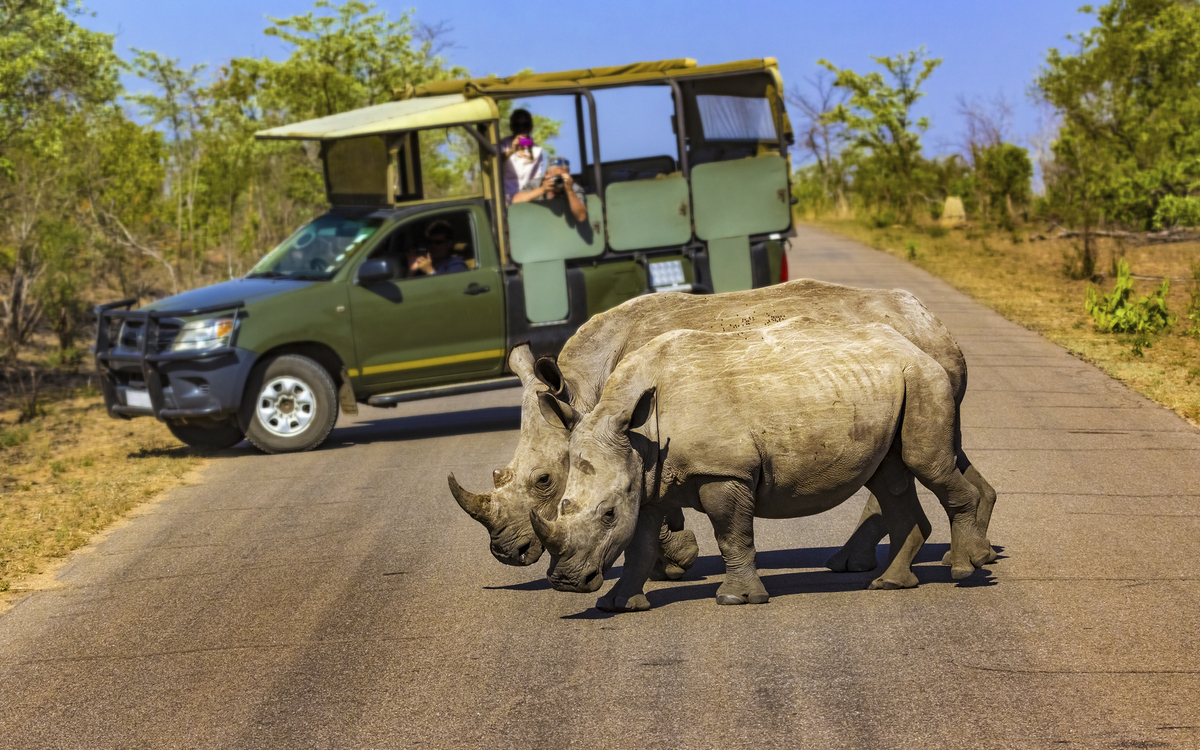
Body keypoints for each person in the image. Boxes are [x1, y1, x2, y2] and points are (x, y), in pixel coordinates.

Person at [512, 156, 588, 223]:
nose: (560, 181)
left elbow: (581, 217)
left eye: (564, 177)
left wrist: (569, 191)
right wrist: (542, 189)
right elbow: (515, 201)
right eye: (557, 177)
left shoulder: (573, 187)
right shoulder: (536, 184)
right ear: (547, 174)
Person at [499, 109, 544, 203]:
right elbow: (496, 161)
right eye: (517, 125)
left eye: (525, 125)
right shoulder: (503, 145)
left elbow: (536, 178)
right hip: (505, 201)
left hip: (526, 200)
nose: (521, 129)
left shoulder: (537, 150)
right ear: (511, 127)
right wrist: (512, 150)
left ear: (530, 127)